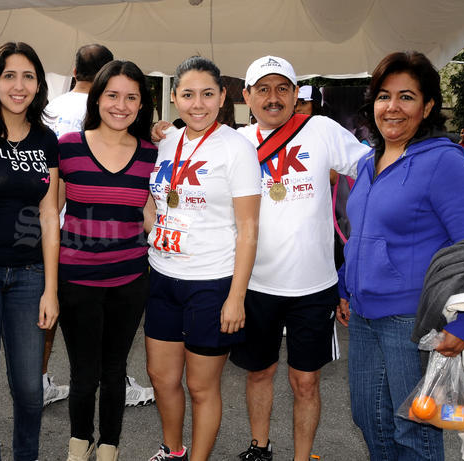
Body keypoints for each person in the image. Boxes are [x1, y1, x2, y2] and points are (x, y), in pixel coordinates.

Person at [151, 56, 369, 461]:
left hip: (314, 285)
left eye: (283, 88)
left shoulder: (320, 130)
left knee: (306, 381)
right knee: (259, 373)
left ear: (296, 95)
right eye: (263, 89)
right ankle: (259, 448)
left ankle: (302, 457)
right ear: (245, 96)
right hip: (253, 284)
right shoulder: (234, 140)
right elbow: (179, 154)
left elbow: (373, 168)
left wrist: (357, 259)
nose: (273, 98)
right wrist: (161, 130)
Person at [336, 51, 464, 460]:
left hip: (413, 321)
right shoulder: (369, 162)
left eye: (406, 96)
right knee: (371, 420)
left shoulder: (443, 162)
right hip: (364, 317)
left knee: (413, 430)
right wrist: (345, 287)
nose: (393, 107)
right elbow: (361, 234)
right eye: (384, 96)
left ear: (428, 106)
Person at [146, 56, 261, 461]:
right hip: (162, 276)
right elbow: (155, 199)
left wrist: (236, 296)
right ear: (174, 97)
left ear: (222, 96)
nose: (198, 104)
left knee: (201, 387)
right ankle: (173, 450)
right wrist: (154, 229)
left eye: (208, 94)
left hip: (212, 283)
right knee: (161, 379)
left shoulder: (237, 149)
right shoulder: (167, 142)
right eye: (189, 94)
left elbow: (249, 228)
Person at [43, 43, 154, 409]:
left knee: (113, 369)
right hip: (75, 273)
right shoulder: (67, 146)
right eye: (112, 95)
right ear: (97, 98)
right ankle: (79, 447)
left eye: (131, 97)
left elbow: (152, 212)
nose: (121, 105)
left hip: (129, 278)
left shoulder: (151, 152)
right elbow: (48, 207)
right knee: (83, 375)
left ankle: (108, 447)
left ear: (141, 104)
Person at [0, 42, 59, 461]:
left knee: (28, 386)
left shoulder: (46, 139)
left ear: (38, 85)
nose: (19, 86)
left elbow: (49, 214)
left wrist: (51, 289)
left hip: (30, 274)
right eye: (9, 75)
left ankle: (26, 456)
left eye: (28, 77)